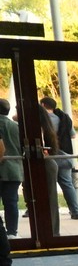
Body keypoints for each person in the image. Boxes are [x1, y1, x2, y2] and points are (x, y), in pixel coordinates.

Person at [40, 96, 78, 220]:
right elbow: (73, 135)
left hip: (50, 154)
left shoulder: (42, 119)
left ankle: (49, 213)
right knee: (67, 184)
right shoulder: (64, 117)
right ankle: (76, 211)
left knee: (48, 185)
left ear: (42, 105)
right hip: (66, 154)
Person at [0, 100, 21, 238]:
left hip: (2, 167)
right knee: (11, 202)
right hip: (14, 169)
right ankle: (12, 232)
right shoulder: (16, 127)